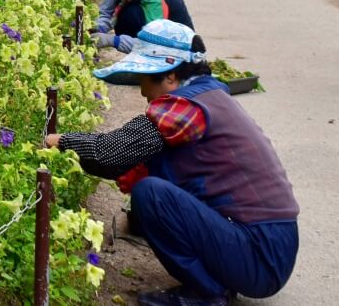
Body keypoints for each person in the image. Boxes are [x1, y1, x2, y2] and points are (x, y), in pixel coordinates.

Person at [47, 20, 299, 306]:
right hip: (272, 246)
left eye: (145, 79)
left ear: (170, 76)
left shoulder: (186, 107)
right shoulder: (210, 94)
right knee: (149, 177)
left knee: (150, 193)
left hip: (261, 254)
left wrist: (59, 143)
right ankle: (216, 282)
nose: (142, 91)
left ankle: (208, 294)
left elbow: (110, 154)